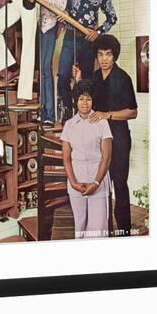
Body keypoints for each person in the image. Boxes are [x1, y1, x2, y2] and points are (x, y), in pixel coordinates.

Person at [73, 34, 138, 236]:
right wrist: (78, 81)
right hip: (98, 141)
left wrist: (107, 115)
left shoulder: (123, 78)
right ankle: (105, 232)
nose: (104, 59)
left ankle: (125, 232)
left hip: (118, 139)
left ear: (114, 55)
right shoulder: (93, 78)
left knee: (119, 185)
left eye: (108, 54)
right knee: (99, 187)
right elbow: (84, 101)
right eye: (100, 54)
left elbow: (133, 112)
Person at [57, 0, 117, 123]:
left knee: (86, 82)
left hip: (88, 43)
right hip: (69, 37)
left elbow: (112, 17)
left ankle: (83, 116)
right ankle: (68, 110)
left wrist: (97, 32)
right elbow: (60, 6)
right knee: (62, 77)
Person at [26, 0, 72, 130]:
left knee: (45, 68)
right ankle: (41, 109)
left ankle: (49, 114)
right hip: (32, 22)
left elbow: (61, 4)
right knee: (36, 68)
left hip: (49, 25)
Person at [61, 80, 113, 239]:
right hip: (76, 182)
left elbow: (106, 158)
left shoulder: (102, 123)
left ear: (93, 101)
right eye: (81, 98)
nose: (85, 103)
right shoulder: (69, 125)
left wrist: (96, 182)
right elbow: (66, 159)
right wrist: (74, 183)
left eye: (88, 98)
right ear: (76, 100)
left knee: (98, 230)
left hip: (98, 181)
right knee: (80, 227)